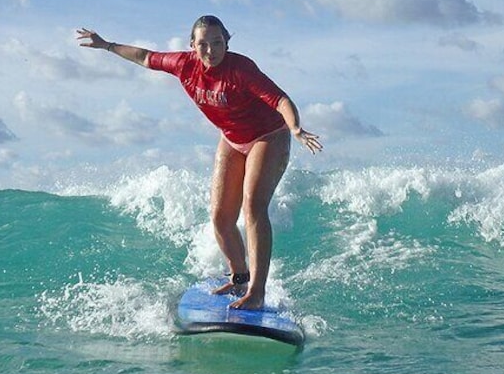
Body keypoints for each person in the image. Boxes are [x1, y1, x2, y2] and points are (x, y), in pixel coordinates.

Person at [77, 16, 322, 310]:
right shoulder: (184, 66)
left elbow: (280, 99)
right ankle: (239, 277)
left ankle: (257, 291)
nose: (210, 50)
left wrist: (295, 127)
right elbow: (145, 57)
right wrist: (106, 46)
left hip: (268, 136)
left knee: (253, 206)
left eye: (217, 43)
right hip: (232, 139)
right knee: (220, 216)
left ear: (226, 42)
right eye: (203, 44)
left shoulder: (241, 69)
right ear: (192, 45)